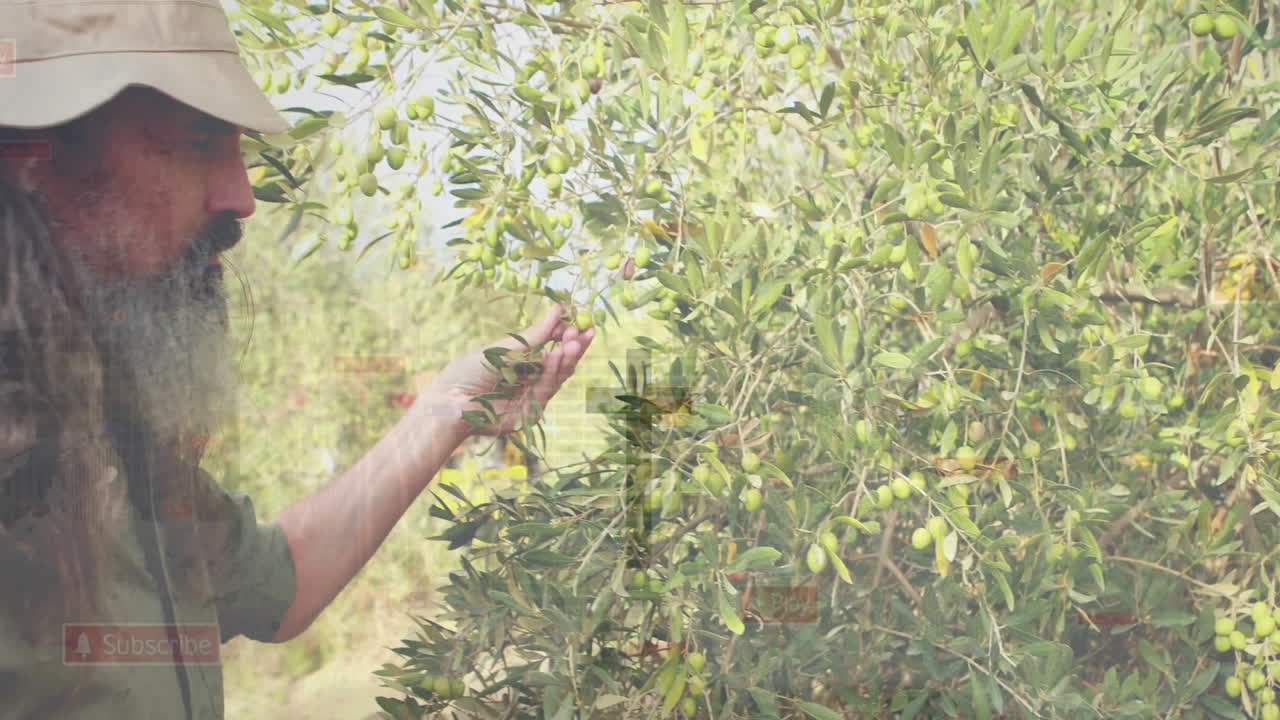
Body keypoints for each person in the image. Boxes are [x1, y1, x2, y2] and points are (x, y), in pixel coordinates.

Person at [0, 0, 595, 717]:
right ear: (32, 155)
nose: (242, 198)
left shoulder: (103, 428)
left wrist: (445, 411)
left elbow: (272, 588)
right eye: (198, 144)